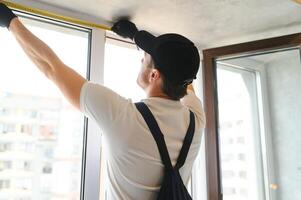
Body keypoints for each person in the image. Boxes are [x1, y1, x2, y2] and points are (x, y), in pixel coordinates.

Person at [0, 3, 205, 200]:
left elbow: (51, 67)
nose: (141, 59)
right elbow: (182, 74)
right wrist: (136, 35)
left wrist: (10, 22)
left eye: (145, 58)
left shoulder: (121, 116)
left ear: (154, 75)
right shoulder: (195, 118)